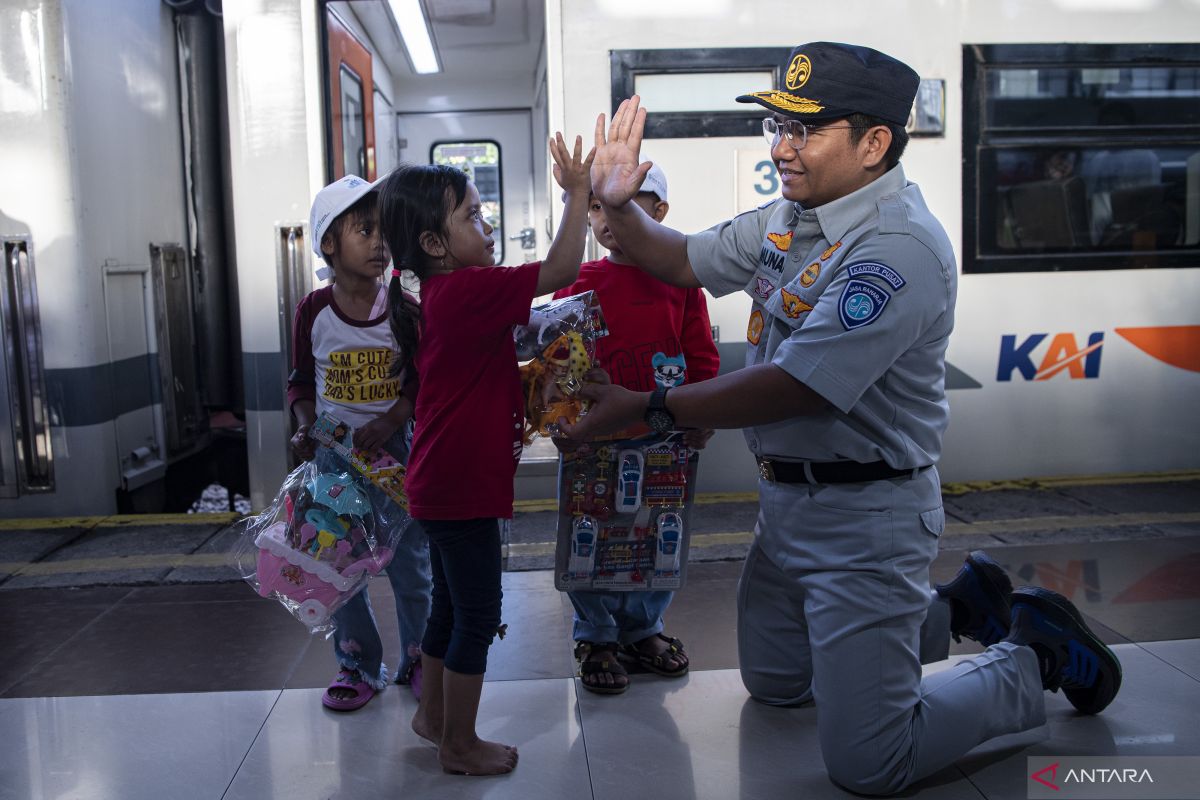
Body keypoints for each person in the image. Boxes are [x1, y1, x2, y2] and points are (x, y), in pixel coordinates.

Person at [566, 42, 1122, 795]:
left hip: (868, 517)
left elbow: (794, 386)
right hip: (787, 510)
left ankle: (1033, 655)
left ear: (874, 144)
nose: (780, 147)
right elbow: (682, 258)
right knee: (775, 685)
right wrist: (617, 202)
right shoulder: (794, 216)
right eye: (778, 127)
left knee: (871, 764)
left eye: (804, 131)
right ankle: (957, 606)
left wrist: (649, 407)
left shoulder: (894, 249)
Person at [377, 132, 594, 776]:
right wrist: (577, 194)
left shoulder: (445, 297)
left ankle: (433, 716)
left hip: (441, 483)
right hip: (462, 485)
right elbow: (562, 271)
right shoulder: (468, 290)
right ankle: (459, 744)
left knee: (448, 605)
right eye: (471, 215)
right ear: (435, 246)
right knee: (479, 613)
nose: (486, 222)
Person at [554, 162, 719, 694]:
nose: (606, 219)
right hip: (595, 441)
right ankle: (597, 633)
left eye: (623, 205)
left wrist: (699, 415)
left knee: (657, 536)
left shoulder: (681, 282)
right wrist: (562, 419)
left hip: (663, 438)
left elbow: (700, 355)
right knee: (591, 536)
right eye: (597, 206)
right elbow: (560, 363)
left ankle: (643, 626)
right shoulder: (578, 284)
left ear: (659, 213)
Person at [287, 174, 432, 712]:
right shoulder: (314, 311)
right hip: (335, 461)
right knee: (339, 567)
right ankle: (356, 665)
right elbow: (301, 382)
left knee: (410, 565)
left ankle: (417, 658)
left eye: (383, 232)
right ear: (329, 244)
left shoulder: (402, 308)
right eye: (364, 231)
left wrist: (394, 417)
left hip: (397, 459)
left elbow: (420, 379)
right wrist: (305, 423)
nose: (380, 243)